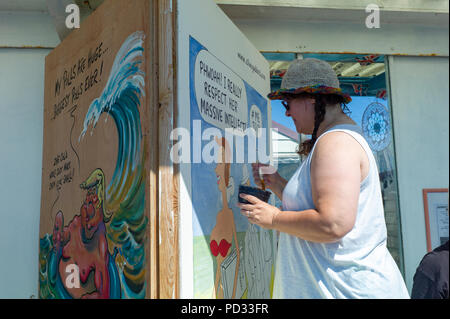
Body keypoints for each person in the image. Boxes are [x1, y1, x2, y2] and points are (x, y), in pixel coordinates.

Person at [238, 58, 409, 298]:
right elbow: (319, 207)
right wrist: (277, 183)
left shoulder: (335, 142)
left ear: (312, 99)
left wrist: (274, 218)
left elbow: (333, 223)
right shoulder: (336, 139)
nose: (286, 112)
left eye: (288, 103)